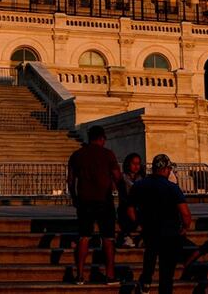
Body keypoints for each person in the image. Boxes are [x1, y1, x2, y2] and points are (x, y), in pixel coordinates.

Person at [128, 154, 192, 294]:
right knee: (167, 272)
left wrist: (138, 224)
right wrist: (185, 227)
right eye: (169, 168)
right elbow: (185, 214)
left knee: (150, 256)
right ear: (165, 169)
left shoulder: (139, 185)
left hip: (149, 230)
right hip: (170, 233)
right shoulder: (172, 187)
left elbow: (130, 209)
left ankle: (145, 281)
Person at [67, 125, 122, 285]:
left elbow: (71, 180)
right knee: (108, 238)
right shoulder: (108, 154)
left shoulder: (77, 155)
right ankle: (110, 275)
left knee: (83, 237)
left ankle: (80, 275)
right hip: (104, 201)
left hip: (84, 200)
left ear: (89, 137)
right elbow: (117, 176)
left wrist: (74, 198)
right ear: (102, 138)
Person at [117, 152, 146, 248]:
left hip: (139, 206)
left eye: (138, 164)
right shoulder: (123, 178)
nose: (136, 166)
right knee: (128, 209)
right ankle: (128, 236)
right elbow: (123, 195)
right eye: (134, 163)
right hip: (126, 206)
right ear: (128, 164)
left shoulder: (142, 178)